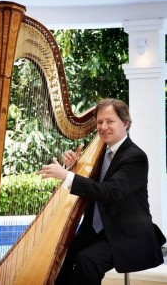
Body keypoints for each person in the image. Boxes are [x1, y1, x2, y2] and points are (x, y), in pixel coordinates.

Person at [37, 98, 166, 285]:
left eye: (109, 121)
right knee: (63, 252)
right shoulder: (99, 154)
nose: (103, 126)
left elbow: (109, 191)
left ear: (125, 123)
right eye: (99, 122)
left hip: (128, 233)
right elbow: (90, 187)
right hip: (99, 229)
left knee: (87, 259)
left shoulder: (135, 157)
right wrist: (73, 167)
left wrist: (67, 176)